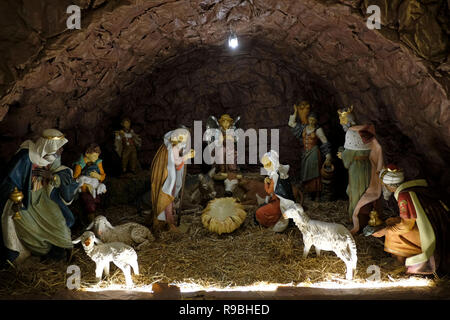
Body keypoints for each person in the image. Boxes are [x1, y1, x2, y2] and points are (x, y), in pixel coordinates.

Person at [0, 129, 74, 266]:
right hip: (26, 201)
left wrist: (51, 177)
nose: (62, 150)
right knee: (30, 229)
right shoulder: (25, 157)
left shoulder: (52, 158)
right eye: (59, 147)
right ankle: (43, 253)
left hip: (43, 198)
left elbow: (62, 174)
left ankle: (58, 252)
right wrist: (14, 199)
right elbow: (9, 182)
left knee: (61, 223)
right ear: (48, 147)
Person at [372, 165, 450, 275]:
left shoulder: (404, 196)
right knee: (391, 222)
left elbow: (406, 225)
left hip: (428, 232)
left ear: (388, 185)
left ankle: (400, 262)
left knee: (392, 232)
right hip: (433, 224)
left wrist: (385, 231)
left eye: (384, 185)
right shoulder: (412, 187)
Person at [336, 106, 384, 233]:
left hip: (357, 169)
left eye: (342, 119)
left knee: (356, 192)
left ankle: (356, 218)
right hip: (367, 166)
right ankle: (367, 216)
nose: (341, 123)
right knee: (365, 190)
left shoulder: (351, 133)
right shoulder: (363, 131)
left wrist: (342, 155)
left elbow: (350, 154)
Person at [150, 128, 195, 232]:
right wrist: (186, 156)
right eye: (184, 138)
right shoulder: (173, 147)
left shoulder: (171, 147)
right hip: (168, 177)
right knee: (168, 198)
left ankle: (170, 220)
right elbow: (177, 162)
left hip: (170, 174)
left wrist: (185, 155)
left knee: (170, 198)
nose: (185, 141)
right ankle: (168, 221)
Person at [289, 108, 332, 200]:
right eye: (310, 119)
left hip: (314, 154)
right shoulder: (303, 128)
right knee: (305, 173)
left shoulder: (318, 130)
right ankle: (308, 193)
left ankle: (317, 195)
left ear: (316, 121)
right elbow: (291, 124)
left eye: (314, 120)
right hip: (305, 153)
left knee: (315, 174)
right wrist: (295, 113)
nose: (312, 121)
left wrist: (328, 156)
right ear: (308, 119)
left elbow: (324, 141)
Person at [255, 150, 296, 232]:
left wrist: (266, 183)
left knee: (259, 212)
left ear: (273, 162)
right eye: (265, 165)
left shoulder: (275, 176)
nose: (266, 167)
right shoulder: (281, 172)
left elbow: (269, 191)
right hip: (278, 200)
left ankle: (271, 223)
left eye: (268, 164)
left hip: (279, 203)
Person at [73, 143, 107, 222]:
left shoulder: (97, 161)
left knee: (97, 199)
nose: (97, 157)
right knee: (89, 202)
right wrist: (86, 186)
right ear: (87, 154)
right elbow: (75, 179)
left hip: (95, 184)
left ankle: (97, 217)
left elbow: (103, 175)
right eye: (95, 155)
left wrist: (98, 176)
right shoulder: (80, 164)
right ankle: (91, 220)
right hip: (84, 187)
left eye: (98, 155)